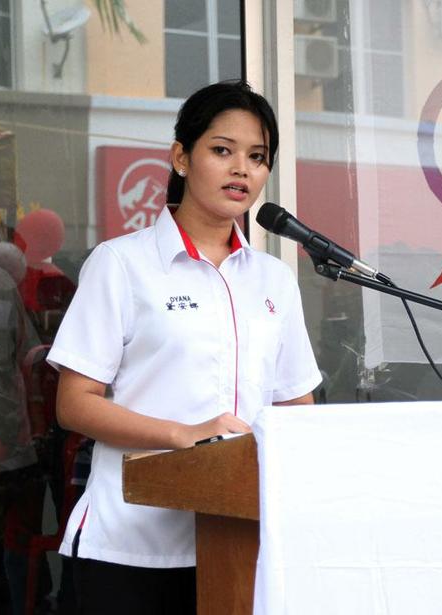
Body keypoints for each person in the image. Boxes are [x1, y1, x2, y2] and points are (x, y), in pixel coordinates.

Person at [47, 80, 322, 614]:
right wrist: (185, 437)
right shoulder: (121, 263)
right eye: (222, 150)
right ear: (180, 157)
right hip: (130, 547)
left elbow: (295, 407)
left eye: (257, 156)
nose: (242, 169)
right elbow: (74, 403)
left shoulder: (274, 280)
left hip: (244, 539)